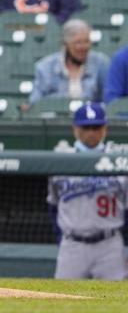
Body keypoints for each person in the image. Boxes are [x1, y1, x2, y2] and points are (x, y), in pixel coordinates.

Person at [48, 102, 127, 280]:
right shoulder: (59, 162)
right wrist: (63, 239)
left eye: (96, 127)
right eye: (86, 127)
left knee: (116, 304)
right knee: (63, 302)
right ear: (75, 129)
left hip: (110, 244)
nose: (91, 132)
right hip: (72, 244)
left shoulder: (120, 163)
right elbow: (53, 207)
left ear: (105, 128)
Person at [26, 19, 109, 110]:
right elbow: (35, 102)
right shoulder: (45, 67)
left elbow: (108, 100)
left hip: (91, 120)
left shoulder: (102, 63)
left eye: (86, 42)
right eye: (78, 42)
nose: (83, 47)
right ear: (65, 44)